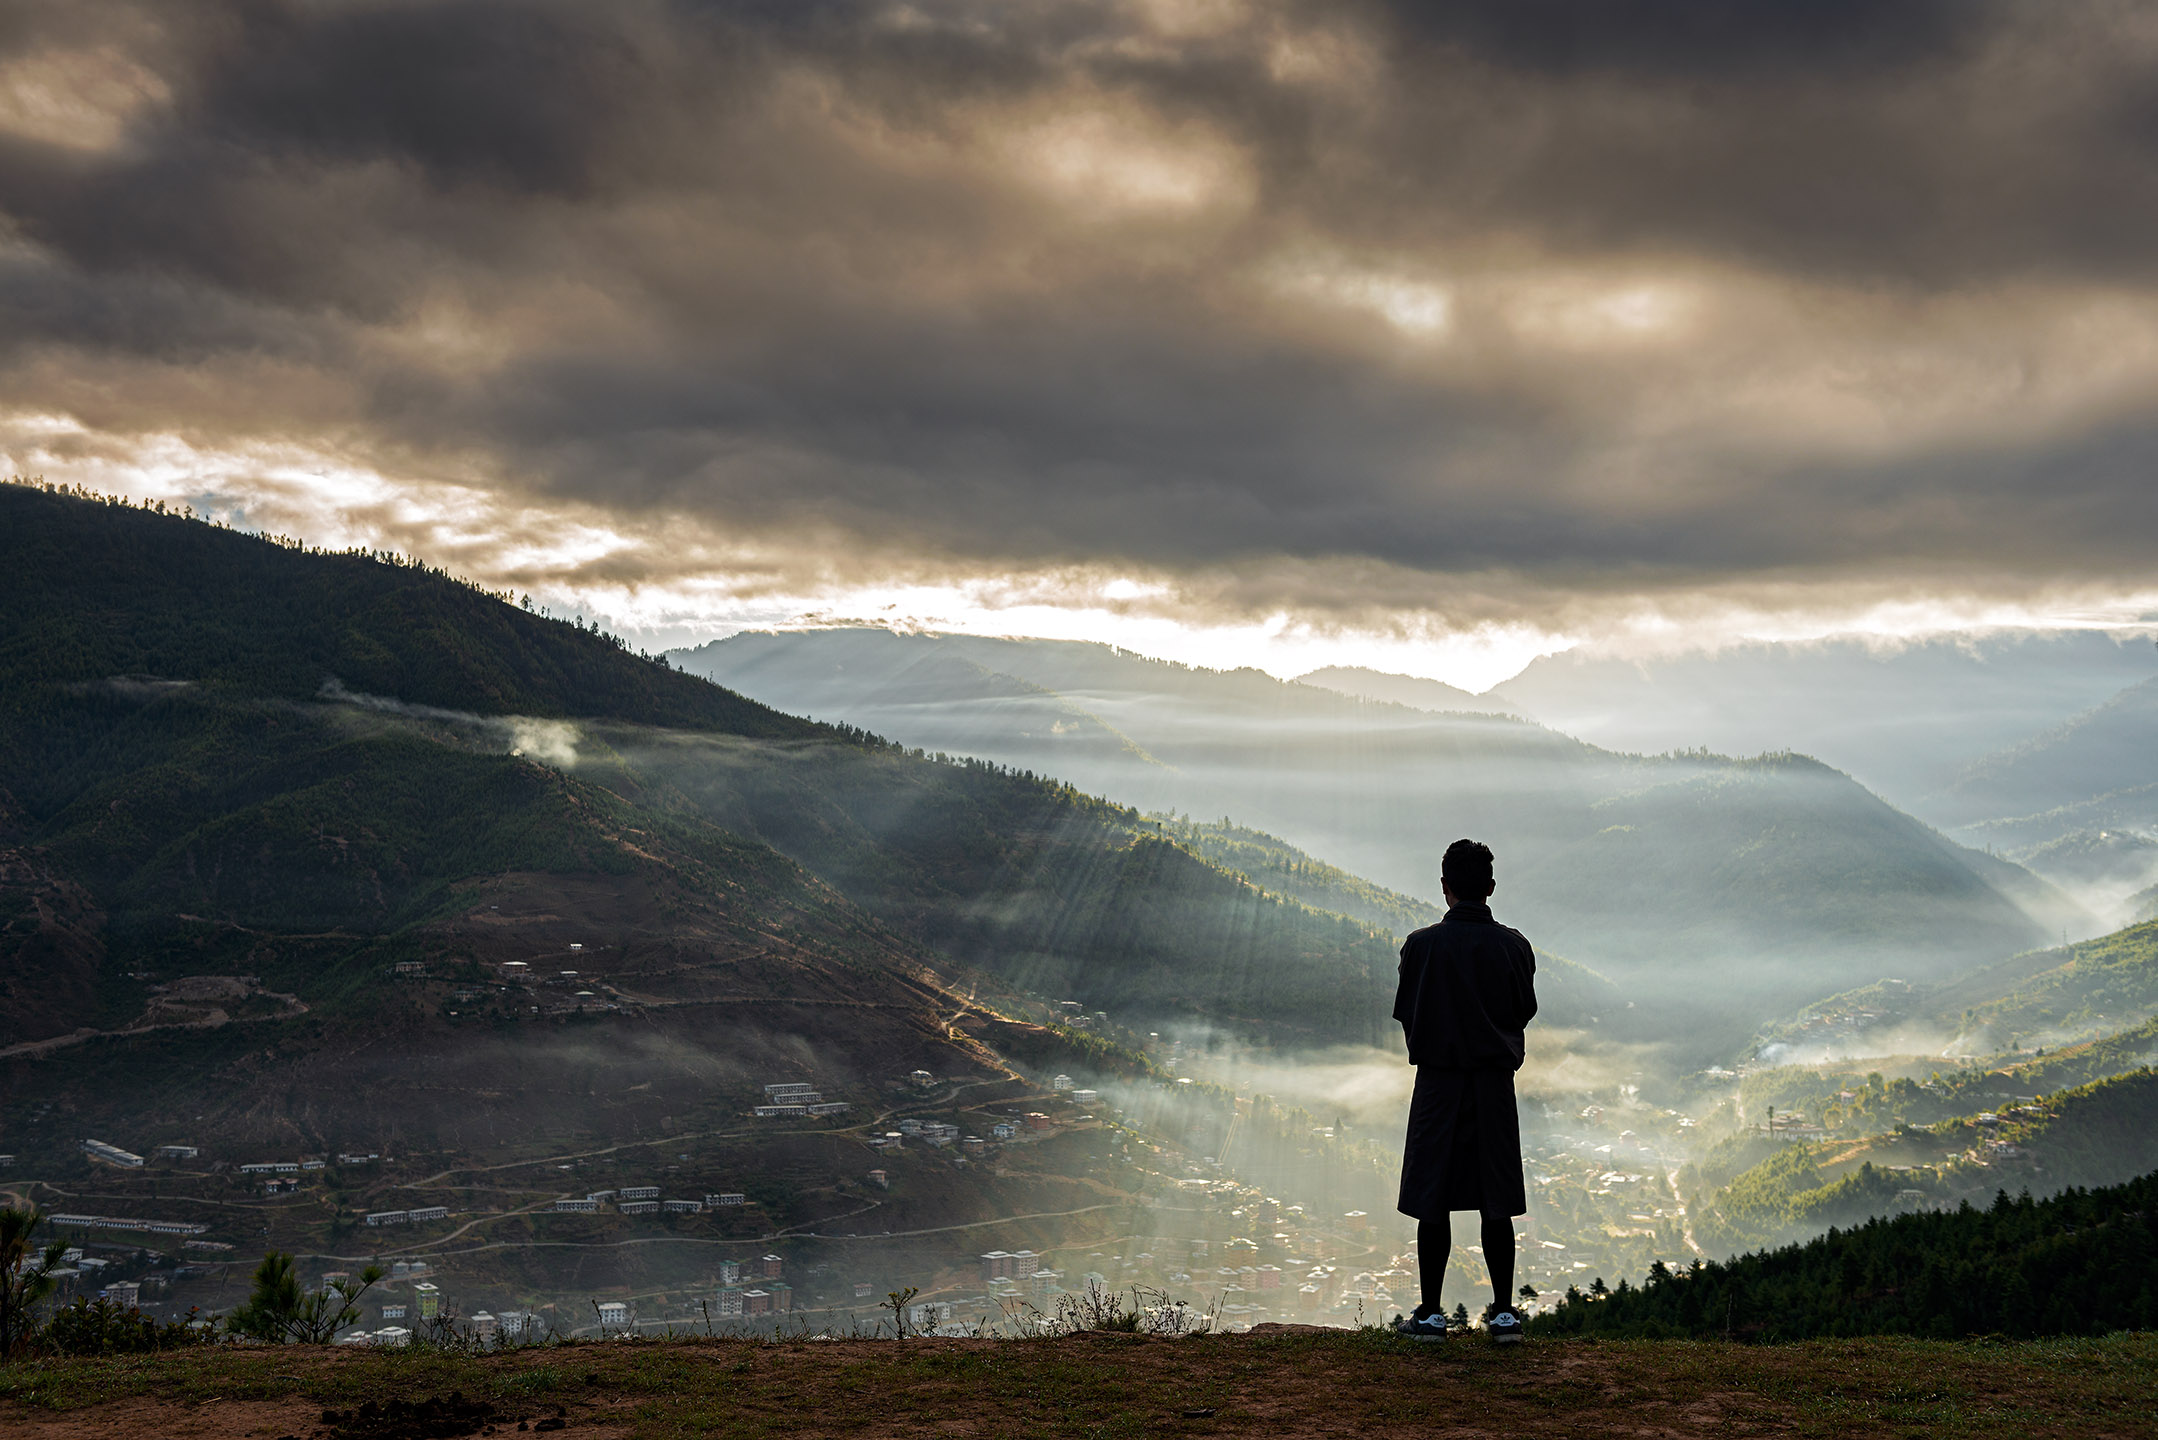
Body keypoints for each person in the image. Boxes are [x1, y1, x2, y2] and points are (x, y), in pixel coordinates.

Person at [1391, 838, 1537, 1343]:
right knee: (1495, 1200)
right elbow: (1523, 1011)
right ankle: (1502, 1314)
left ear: (1444, 886)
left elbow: (1408, 1011)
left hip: (1437, 1084)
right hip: (1494, 1086)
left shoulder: (1420, 946)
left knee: (1433, 1197)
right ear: (1490, 888)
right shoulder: (1514, 947)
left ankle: (1431, 1314)